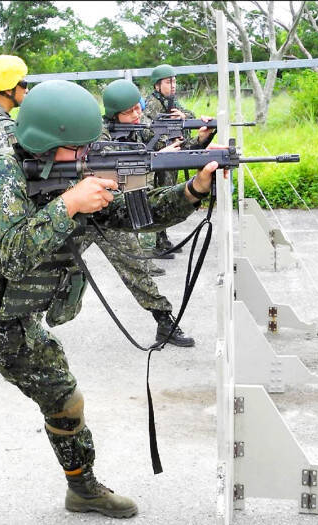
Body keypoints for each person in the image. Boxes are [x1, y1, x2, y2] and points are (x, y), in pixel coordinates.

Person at [0, 80, 222, 525]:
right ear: (43, 146)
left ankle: (82, 487)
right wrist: (69, 204)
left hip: (14, 321)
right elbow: (12, 252)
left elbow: (127, 215)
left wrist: (192, 191)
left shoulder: (71, 178)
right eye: (76, 150)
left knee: (65, 402)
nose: (86, 157)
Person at [96, 78, 196, 347]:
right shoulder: (100, 136)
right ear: (114, 114)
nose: (137, 115)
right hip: (91, 209)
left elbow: (174, 151)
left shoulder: (140, 129)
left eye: (137, 108)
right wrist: (153, 159)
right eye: (129, 112)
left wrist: (201, 138)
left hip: (113, 214)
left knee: (136, 268)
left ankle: (164, 322)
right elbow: (111, 169)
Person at [143, 63, 214, 256]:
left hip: (171, 154)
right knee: (160, 196)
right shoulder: (152, 104)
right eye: (168, 82)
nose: (173, 85)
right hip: (160, 156)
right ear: (157, 85)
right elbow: (147, 130)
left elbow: (190, 116)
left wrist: (183, 117)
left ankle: (162, 238)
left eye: (174, 81)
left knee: (167, 193)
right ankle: (156, 241)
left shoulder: (171, 102)